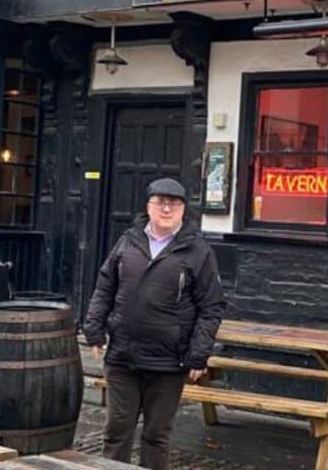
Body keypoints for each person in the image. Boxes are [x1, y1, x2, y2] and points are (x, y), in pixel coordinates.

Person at [83, 177, 226, 470]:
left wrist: (198, 354)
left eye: (174, 204)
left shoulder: (198, 251)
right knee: (116, 433)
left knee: (156, 436)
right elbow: (105, 286)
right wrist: (94, 328)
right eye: (160, 202)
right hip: (123, 356)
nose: (166, 209)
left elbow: (211, 307)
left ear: (183, 210)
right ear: (148, 207)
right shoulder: (128, 241)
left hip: (168, 363)